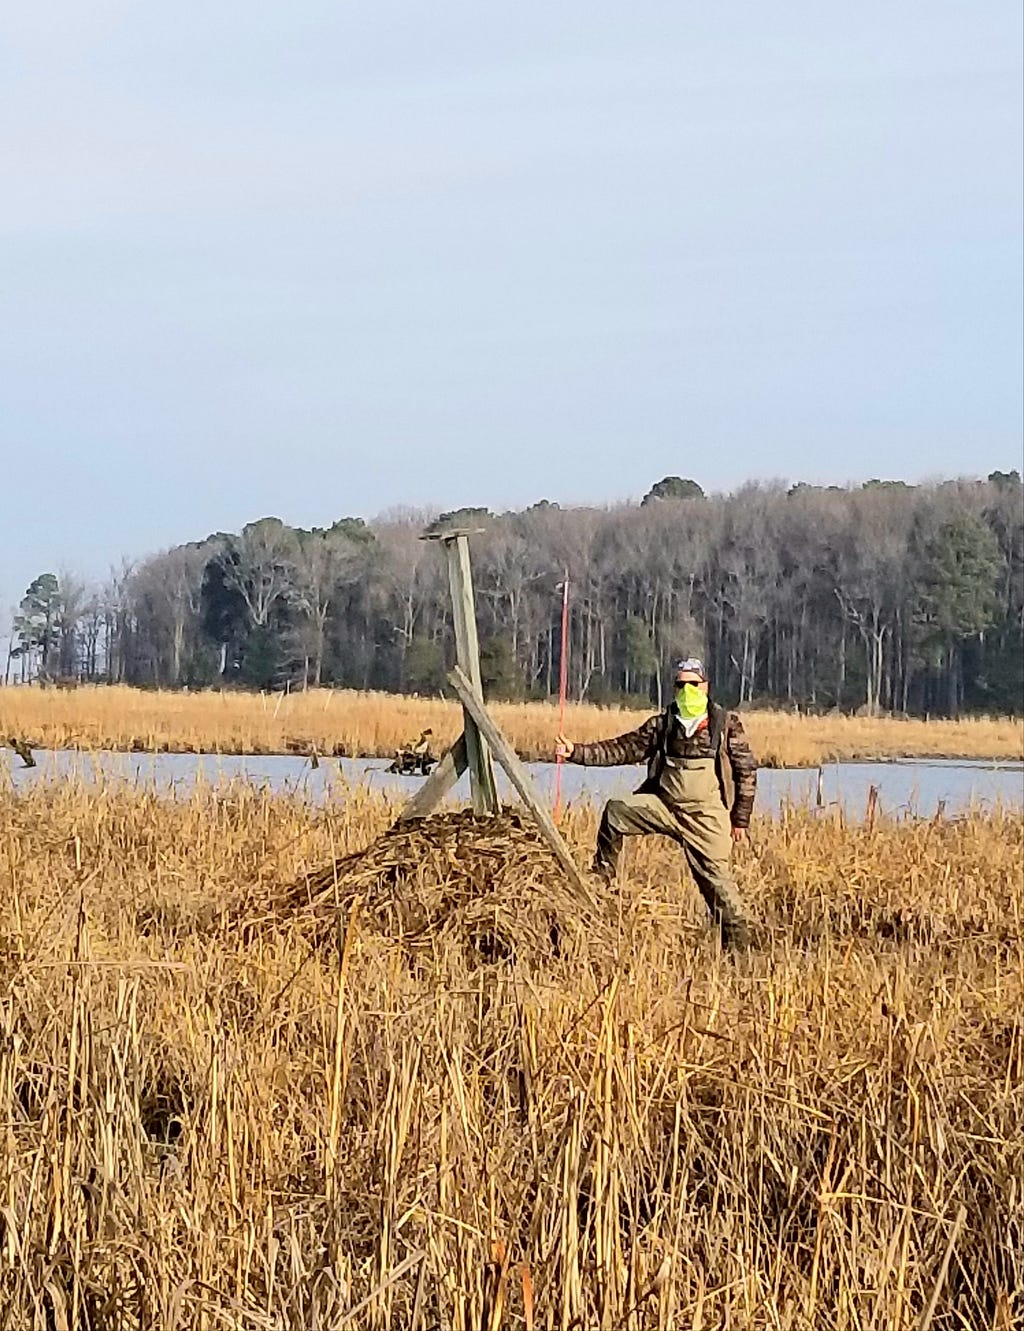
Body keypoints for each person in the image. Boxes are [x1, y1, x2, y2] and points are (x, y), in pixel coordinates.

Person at [556, 657, 756, 948]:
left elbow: (746, 770)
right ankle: (601, 880)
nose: (687, 690)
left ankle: (743, 949)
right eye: (681, 685)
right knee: (616, 812)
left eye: (693, 684)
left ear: (706, 686)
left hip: (707, 817)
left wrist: (740, 819)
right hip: (665, 806)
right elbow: (622, 749)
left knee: (718, 886)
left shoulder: (726, 725)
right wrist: (575, 752)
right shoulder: (663, 725)